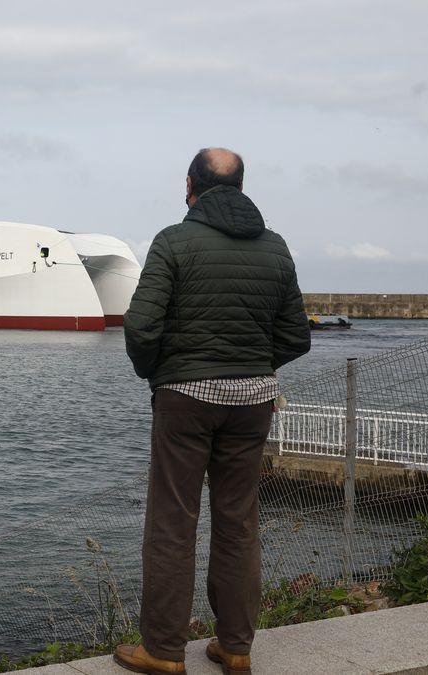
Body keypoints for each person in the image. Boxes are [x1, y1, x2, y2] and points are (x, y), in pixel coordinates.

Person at [114, 148, 311, 674]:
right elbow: (297, 335)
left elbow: (140, 327)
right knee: (238, 521)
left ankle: (162, 650)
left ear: (189, 185)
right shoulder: (275, 247)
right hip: (253, 402)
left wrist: (161, 374)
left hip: (186, 400)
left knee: (173, 522)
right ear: (242, 186)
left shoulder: (173, 242)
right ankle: (236, 646)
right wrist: (251, 364)